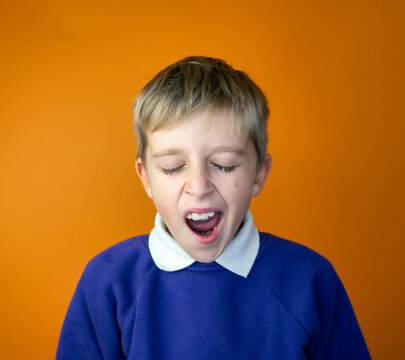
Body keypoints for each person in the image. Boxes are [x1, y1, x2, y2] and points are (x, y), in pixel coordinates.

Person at [56, 56, 371, 359]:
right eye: (172, 166)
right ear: (146, 178)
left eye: (224, 164)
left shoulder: (310, 280)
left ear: (259, 172)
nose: (199, 186)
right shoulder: (107, 283)